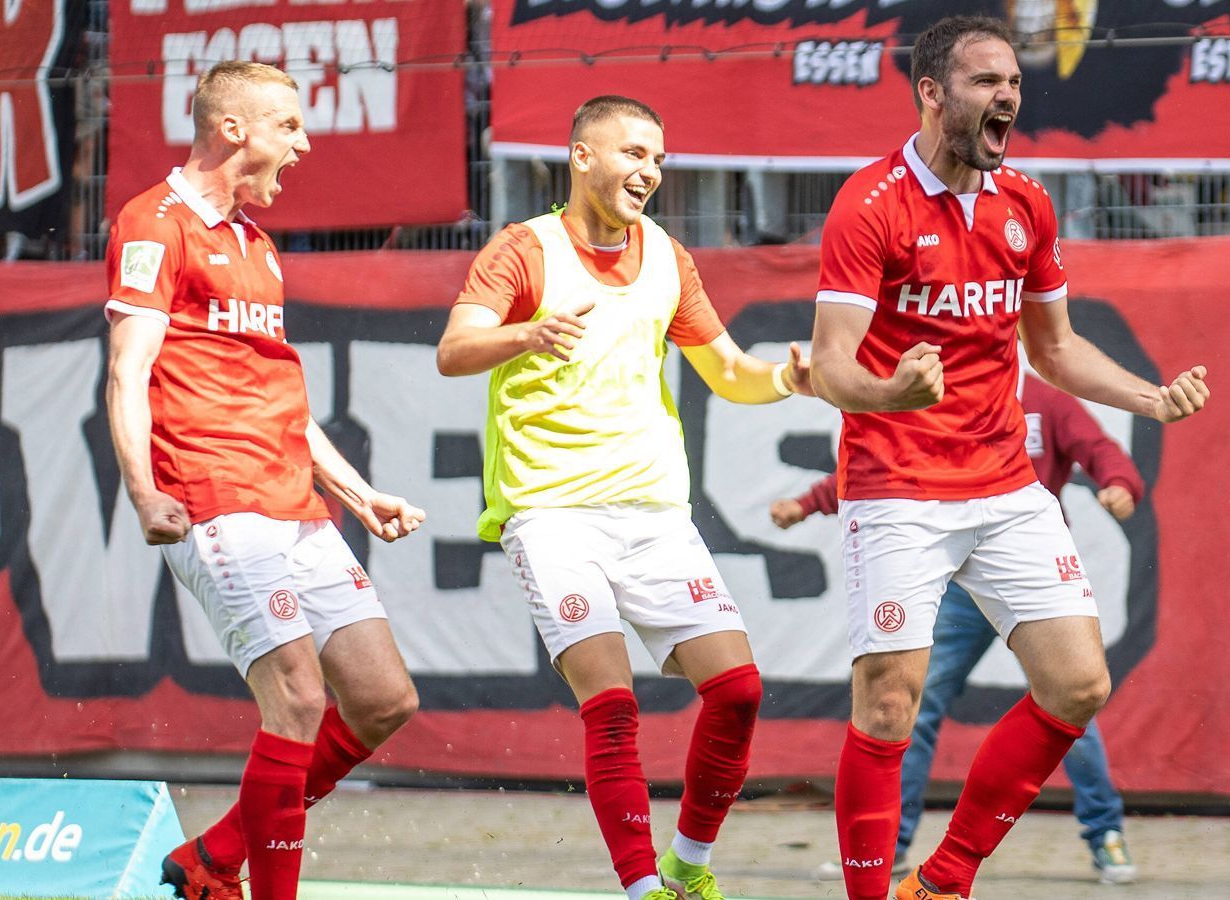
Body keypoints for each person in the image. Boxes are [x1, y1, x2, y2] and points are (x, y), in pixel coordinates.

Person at [807, 15, 1209, 900]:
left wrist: (1151, 397)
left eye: (1014, 84)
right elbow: (832, 364)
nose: (1009, 98)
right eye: (988, 82)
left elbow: (1056, 351)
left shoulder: (1026, 202)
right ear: (932, 93)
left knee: (1078, 684)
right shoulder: (868, 204)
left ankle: (942, 881)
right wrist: (888, 395)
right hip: (896, 485)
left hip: (1002, 485)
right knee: (886, 708)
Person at [436, 95, 814, 900]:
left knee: (739, 692)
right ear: (581, 156)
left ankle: (688, 866)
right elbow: (454, 350)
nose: (649, 172)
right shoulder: (522, 250)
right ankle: (642, 887)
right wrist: (525, 333)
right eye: (634, 153)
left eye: (659, 160)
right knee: (612, 707)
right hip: (549, 517)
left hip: (652, 519)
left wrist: (786, 377)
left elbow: (730, 372)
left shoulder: (669, 257)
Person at [104, 62, 427, 900]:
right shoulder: (155, 223)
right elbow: (126, 375)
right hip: (212, 499)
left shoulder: (257, 244)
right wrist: (144, 491)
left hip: (295, 501)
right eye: (290, 125)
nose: (304, 143)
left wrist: (359, 492)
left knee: (384, 700)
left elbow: (278, 401)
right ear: (235, 129)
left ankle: (212, 857)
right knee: (297, 700)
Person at [773, 367, 1144, 885]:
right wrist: (808, 503)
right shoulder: (943, 387)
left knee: (1072, 699)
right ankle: (894, 845)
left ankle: (1105, 834)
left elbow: (1098, 447)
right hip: (957, 586)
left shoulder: (1046, 399)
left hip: (1023, 572)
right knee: (905, 708)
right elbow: (896, 464)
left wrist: (1120, 482)